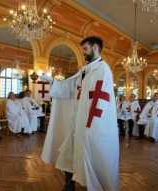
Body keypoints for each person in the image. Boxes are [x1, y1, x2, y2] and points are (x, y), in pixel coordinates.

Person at [42, 36, 119, 191]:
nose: (83, 53)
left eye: (85, 49)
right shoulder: (85, 71)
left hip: (92, 125)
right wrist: (52, 82)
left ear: (95, 47)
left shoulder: (103, 70)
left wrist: (92, 125)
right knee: (67, 154)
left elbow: (101, 100)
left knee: (93, 159)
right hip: (77, 123)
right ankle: (69, 185)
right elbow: (68, 88)